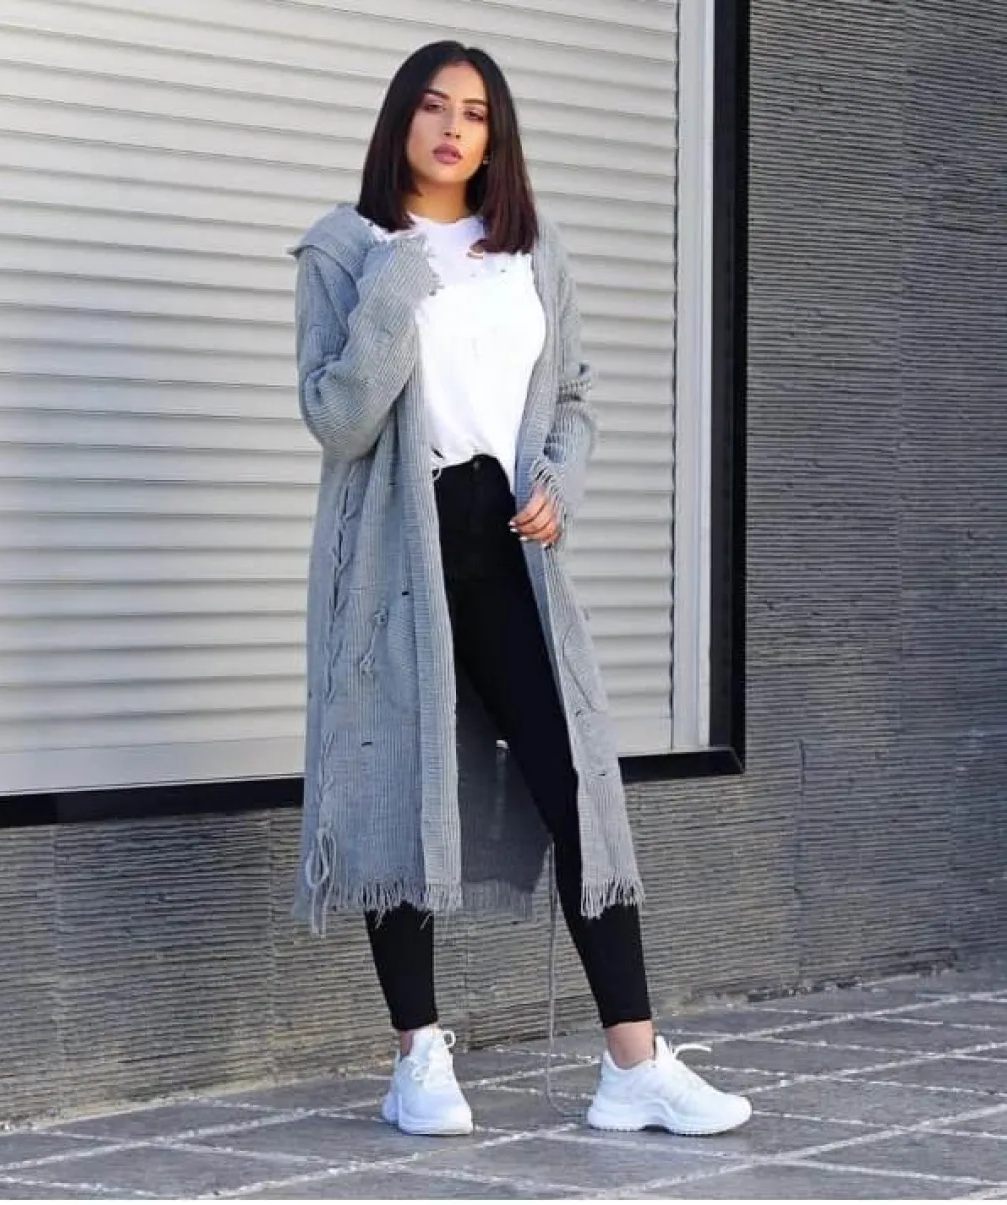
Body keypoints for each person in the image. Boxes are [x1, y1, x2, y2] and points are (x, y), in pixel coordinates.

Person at [290, 40, 751, 1140]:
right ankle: (418, 1056)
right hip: (393, 555)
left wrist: (559, 481)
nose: (453, 127)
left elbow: (573, 397)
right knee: (397, 784)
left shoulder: (531, 254)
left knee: (577, 781)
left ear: (495, 137)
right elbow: (337, 418)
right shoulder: (347, 251)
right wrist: (397, 285)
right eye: (433, 106)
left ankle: (633, 1063)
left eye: (476, 112)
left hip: (507, 541)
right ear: (400, 121)